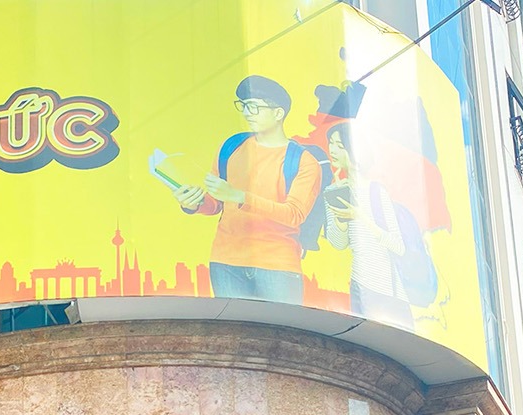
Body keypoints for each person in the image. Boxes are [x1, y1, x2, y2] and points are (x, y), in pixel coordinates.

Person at [173, 75, 324, 305]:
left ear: (278, 113)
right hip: (225, 261)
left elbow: (294, 214)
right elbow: (216, 203)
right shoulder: (231, 147)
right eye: (243, 106)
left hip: (277, 265)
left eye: (254, 107)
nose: (246, 113)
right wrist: (194, 204)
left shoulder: (303, 161)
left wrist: (240, 196)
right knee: (233, 327)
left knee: (278, 327)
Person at [322, 124, 413, 328]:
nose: (332, 150)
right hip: (359, 285)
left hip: (388, 289)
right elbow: (338, 244)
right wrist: (341, 219)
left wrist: (361, 217)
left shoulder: (376, 192)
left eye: (340, 145)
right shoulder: (332, 190)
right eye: (331, 143)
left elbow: (399, 247)